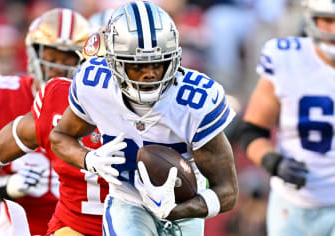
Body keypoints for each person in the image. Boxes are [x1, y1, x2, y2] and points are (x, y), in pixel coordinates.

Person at [50, 1, 239, 235]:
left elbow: (228, 191)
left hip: (186, 205)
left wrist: (175, 209)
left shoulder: (196, 101)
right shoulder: (94, 85)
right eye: (137, 65)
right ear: (114, 62)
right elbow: (59, 136)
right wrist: (88, 159)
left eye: (158, 63)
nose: (149, 73)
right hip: (127, 201)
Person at [0, 8, 91, 236]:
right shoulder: (2, 96)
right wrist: (9, 187)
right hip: (18, 228)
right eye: (51, 56)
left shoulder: (97, 106)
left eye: (68, 57)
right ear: (33, 52)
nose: (58, 66)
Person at [238, 0, 335, 235]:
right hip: (293, 205)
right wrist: (274, 162)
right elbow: (252, 131)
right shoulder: (286, 58)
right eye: (328, 19)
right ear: (312, 19)